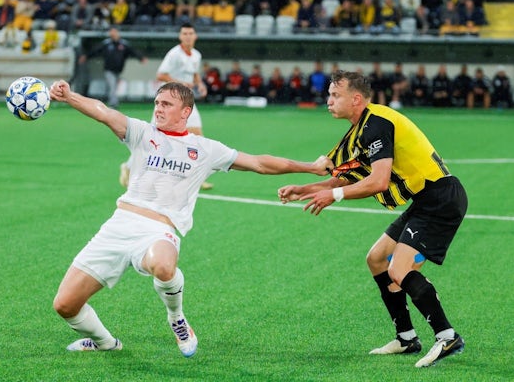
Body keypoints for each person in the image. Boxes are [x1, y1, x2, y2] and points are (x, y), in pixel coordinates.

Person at [48, 80, 331, 357]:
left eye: (167, 104)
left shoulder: (206, 149)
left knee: (162, 265)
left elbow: (259, 162)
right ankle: (105, 342)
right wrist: (70, 97)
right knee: (65, 305)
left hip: (159, 229)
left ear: (185, 112)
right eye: (157, 103)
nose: (158, 109)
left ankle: (177, 319)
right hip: (118, 224)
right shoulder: (142, 133)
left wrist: (311, 167)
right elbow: (104, 112)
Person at [278, 70, 467, 369]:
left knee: (399, 269)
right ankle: (406, 337)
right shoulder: (360, 129)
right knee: (376, 259)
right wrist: (304, 189)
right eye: (328, 94)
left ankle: (447, 335)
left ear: (356, 99)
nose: (328, 100)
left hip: (440, 198)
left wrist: (334, 197)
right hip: (427, 199)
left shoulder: (376, 123)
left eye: (334, 95)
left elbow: (378, 181)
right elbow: (343, 178)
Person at [120, 23, 212, 190]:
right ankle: (128, 166)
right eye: (185, 33)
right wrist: (181, 83)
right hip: (169, 101)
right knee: (153, 139)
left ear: (195, 36)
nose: (188, 36)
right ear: (180, 36)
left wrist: (201, 84)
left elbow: (195, 74)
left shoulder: (196, 55)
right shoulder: (174, 54)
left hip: (186, 101)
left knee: (197, 135)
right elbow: (161, 74)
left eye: (191, 33)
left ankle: (195, 177)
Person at [80, 28, 147, 109]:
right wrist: (86, 57)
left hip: (118, 70)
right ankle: (113, 104)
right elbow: (95, 51)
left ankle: (113, 101)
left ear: (118, 33)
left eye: (114, 32)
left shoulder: (123, 44)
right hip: (108, 70)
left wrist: (141, 58)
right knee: (112, 86)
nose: (112, 34)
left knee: (114, 87)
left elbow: (133, 51)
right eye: (111, 32)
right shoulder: (106, 43)